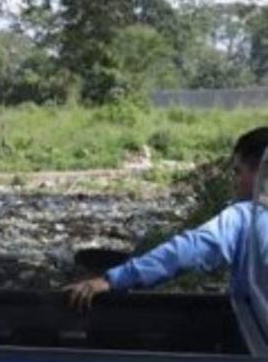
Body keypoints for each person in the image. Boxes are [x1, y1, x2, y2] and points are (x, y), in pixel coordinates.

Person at [68, 126, 268, 311]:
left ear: (262, 172)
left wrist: (113, 279)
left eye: (238, 171)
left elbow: (188, 250)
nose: (235, 181)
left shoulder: (246, 216)